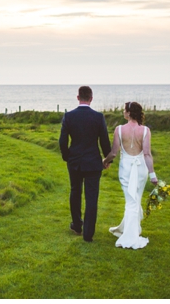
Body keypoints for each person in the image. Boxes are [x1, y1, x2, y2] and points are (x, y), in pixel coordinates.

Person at [58, 86, 112, 242]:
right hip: (93, 162)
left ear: (78, 97)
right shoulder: (98, 117)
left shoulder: (69, 116)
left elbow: (62, 141)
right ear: (91, 98)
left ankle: (77, 225)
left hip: (74, 162)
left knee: (75, 192)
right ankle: (88, 234)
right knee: (92, 197)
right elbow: (104, 140)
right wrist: (108, 159)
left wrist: (67, 156)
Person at [102, 101, 157, 249]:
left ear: (129, 113)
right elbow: (147, 154)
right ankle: (131, 229)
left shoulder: (119, 129)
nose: (123, 113)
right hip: (141, 169)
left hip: (126, 168)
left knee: (131, 200)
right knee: (135, 199)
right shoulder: (145, 130)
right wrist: (152, 174)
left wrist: (104, 161)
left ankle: (130, 235)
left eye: (124, 110)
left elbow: (113, 152)